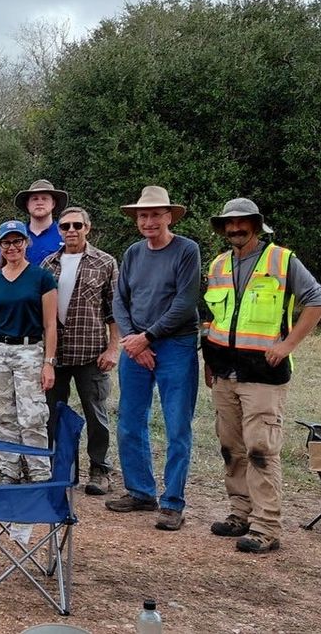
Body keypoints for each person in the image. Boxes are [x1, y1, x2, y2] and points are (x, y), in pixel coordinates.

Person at [202, 198, 321, 553]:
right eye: (229, 223)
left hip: (264, 374)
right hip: (224, 371)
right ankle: (239, 514)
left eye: (242, 223)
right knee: (231, 448)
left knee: (261, 450)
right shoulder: (218, 265)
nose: (235, 229)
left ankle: (266, 526)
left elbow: (317, 302)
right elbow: (212, 318)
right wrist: (209, 361)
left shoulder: (282, 260)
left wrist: (287, 345)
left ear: (256, 225)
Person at [105, 186, 201, 532]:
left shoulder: (186, 250)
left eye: (155, 214)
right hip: (136, 345)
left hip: (176, 344)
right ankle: (141, 490)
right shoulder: (132, 253)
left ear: (169, 216)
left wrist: (148, 338)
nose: (148, 221)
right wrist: (134, 340)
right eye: (142, 215)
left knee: (177, 424)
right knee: (130, 420)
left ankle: (173, 502)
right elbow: (120, 300)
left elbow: (185, 302)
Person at [0, 221, 58, 484]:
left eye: (17, 241)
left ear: (25, 244)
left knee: (31, 416)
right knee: (4, 415)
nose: (12, 247)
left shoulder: (41, 277)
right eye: (7, 242)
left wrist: (49, 362)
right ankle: (9, 471)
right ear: (0, 247)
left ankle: (39, 473)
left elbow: (50, 323)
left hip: (29, 349)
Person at [41, 207, 120, 495]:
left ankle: (100, 470)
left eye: (77, 225)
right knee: (53, 413)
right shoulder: (48, 264)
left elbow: (114, 311)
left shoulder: (105, 263)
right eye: (65, 226)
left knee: (96, 413)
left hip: (91, 352)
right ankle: (59, 468)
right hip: (56, 354)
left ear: (88, 227)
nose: (71, 230)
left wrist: (113, 349)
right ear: (59, 230)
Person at [0, 179, 67, 273]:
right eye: (35, 199)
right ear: (27, 204)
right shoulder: (11, 236)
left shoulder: (65, 235)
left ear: (53, 203)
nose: (39, 202)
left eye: (44, 198)